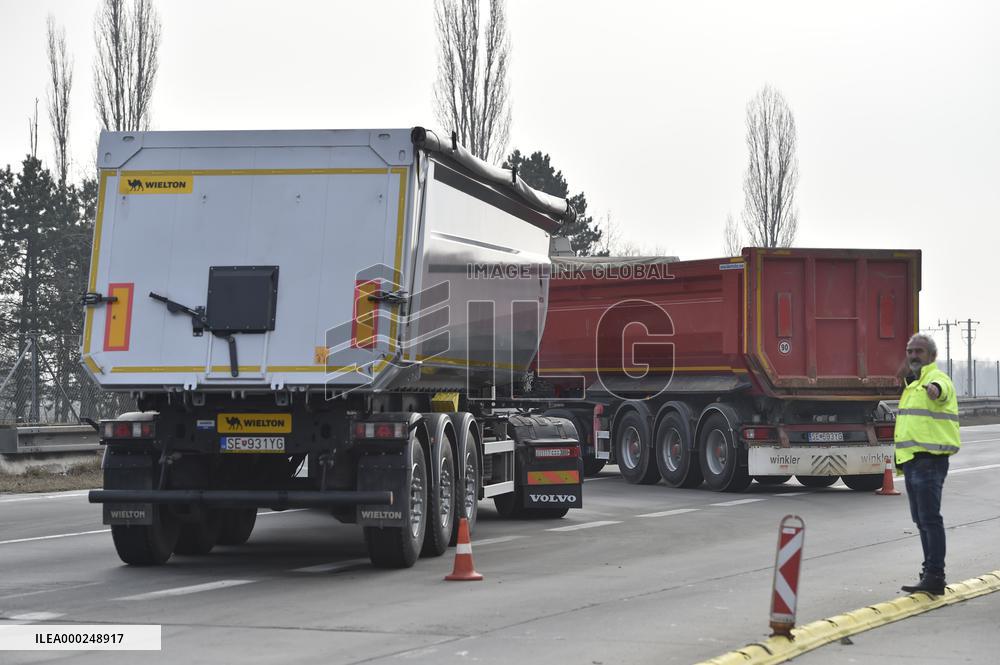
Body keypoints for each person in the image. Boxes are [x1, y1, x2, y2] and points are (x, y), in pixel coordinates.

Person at [894, 333, 961, 595]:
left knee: (930, 519)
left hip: (929, 461)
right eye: (910, 351)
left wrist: (935, 391)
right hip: (913, 461)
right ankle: (930, 572)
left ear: (931, 356)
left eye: (919, 351)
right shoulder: (912, 386)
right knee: (921, 519)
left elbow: (940, 392)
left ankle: (935, 575)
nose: (912, 355)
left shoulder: (936, 380)